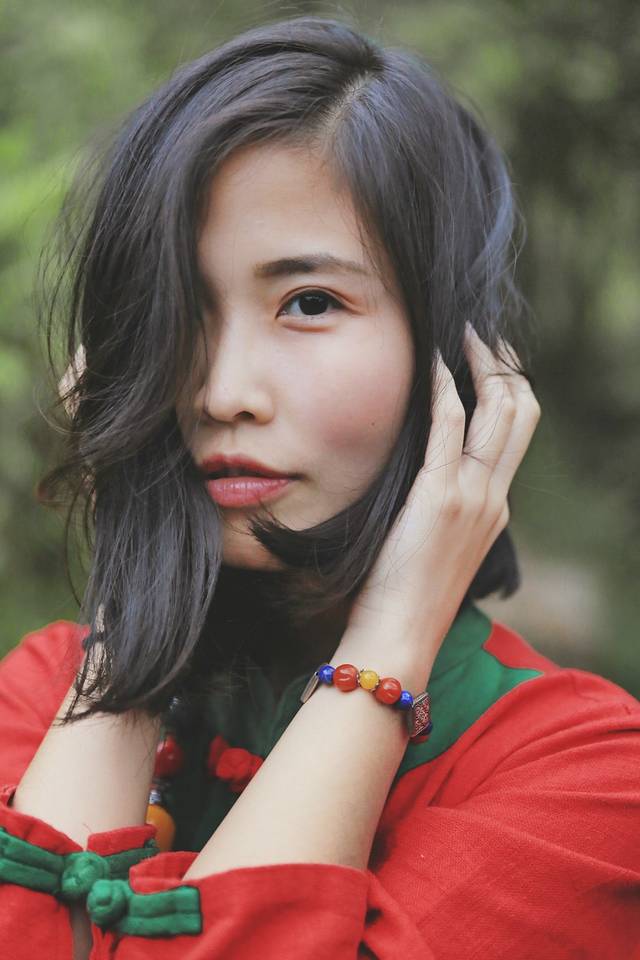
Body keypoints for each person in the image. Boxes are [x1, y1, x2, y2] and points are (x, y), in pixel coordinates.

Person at [0, 15, 638, 960]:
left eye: (309, 303)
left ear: (463, 358)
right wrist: (133, 617)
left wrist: (389, 640)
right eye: (177, 312)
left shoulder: (584, 779)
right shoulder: (45, 692)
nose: (222, 392)